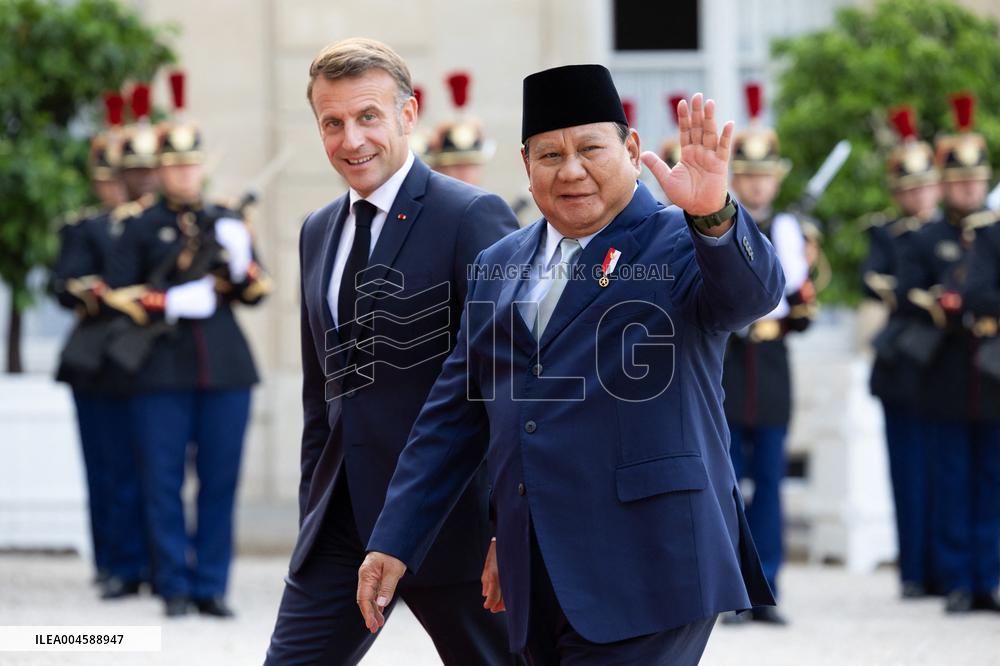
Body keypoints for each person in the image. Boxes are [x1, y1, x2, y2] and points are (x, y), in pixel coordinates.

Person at [359, 64, 784, 664]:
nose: (572, 170)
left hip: (652, 563)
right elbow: (454, 415)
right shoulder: (499, 263)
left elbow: (750, 296)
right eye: (550, 154)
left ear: (631, 149)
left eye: (590, 148)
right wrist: (395, 539)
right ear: (526, 165)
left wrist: (714, 215)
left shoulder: (677, 241)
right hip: (535, 568)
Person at [263, 38, 518, 665]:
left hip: (450, 520)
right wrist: (310, 514)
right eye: (333, 123)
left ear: (408, 115)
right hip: (341, 524)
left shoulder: (472, 216)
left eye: (368, 116)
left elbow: (513, 383)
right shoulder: (317, 230)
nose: (351, 140)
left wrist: (510, 528)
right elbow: (321, 394)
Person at [103, 70, 271, 618]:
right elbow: (118, 290)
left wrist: (239, 258)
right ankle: (173, 584)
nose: (183, 173)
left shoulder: (223, 218)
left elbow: (255, 290)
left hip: (224, 366)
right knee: (163, 480)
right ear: (161, 169)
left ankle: (211, 584)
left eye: (191, 163)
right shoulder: (138, 226)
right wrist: (171, 300)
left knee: (220, 482)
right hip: (160, 366)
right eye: (173, 165)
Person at [896, 92, 1000, 614]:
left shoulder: (997, 234)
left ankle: (991, 576)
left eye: (975, 181)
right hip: (947, 369)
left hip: (994, 371)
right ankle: (959, 578)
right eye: (958, 181)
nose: (968, 188)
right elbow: (906, 291)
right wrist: (944, 302)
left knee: (993, 478)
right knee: (952, 479)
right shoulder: (925, 237)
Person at [719, 82, 814, 626]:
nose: (756, 184)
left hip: (771, 367)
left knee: (771, 482)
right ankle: (733, 588)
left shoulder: (789, 229)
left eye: (764, 175)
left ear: (776, 178)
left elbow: (799, 302)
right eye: (747, 175)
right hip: (730, 361)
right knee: (728, 482)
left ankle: (768, 585)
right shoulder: (724, 223)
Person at [50, 91, 150, 596]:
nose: (115, 188)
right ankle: (115, 562)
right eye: (107, 178)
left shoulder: (155, 225)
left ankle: (153, 562)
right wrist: (101, 294)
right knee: (106, 468)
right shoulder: (84, 228)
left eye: (125, 177)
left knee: (154, 469)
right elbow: (64, 283)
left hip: (149, 358)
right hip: (98, 363)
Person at [861, 105, 941, 598]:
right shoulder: (885, 234)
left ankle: (947, 566)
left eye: (923, 186)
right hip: (904, 364)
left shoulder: (961, 233)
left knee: (945, 469)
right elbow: (877, 284)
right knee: (908, 471)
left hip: (945, 365)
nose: (916, 195)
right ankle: (915, 569)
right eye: (907, 188)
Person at [429, 71, 494, 186]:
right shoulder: (442, 127)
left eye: (471, 165)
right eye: (456, 166)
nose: (465, 175)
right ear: (439, 168)